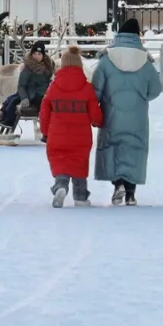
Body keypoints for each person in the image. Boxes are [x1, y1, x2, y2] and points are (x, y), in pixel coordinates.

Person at [92, 18, 163, 206]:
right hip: (137, 116)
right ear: (137, 35)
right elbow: (156, 89)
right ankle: (131, 193)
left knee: (113, 148)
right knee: (134, 149)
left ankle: (118, 185)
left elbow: (96, 89)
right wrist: (141, 98)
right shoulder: (145, 61)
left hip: (111, 115)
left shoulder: (107, 60)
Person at [39, 46, 102, 207]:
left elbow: (44, 113)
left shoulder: (53, 87)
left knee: (61, 163)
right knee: (79, 164)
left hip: (57, 136)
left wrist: (45, 132)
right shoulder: (87, 88)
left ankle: (60, 185)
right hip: (81, 138)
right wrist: (98, 122)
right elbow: (95, 115)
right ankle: (80, 197)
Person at [0, 46, 54, 131]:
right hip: (29, 93)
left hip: (40, 95)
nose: (37, 56)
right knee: (10, 100)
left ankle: (8, 121)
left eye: (39, 54)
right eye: (34, 54)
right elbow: (22, 85)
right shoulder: (27, 68)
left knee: (12, 101)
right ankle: (6, 119)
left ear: (43, 55)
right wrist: (24, 98)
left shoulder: (48, 67)